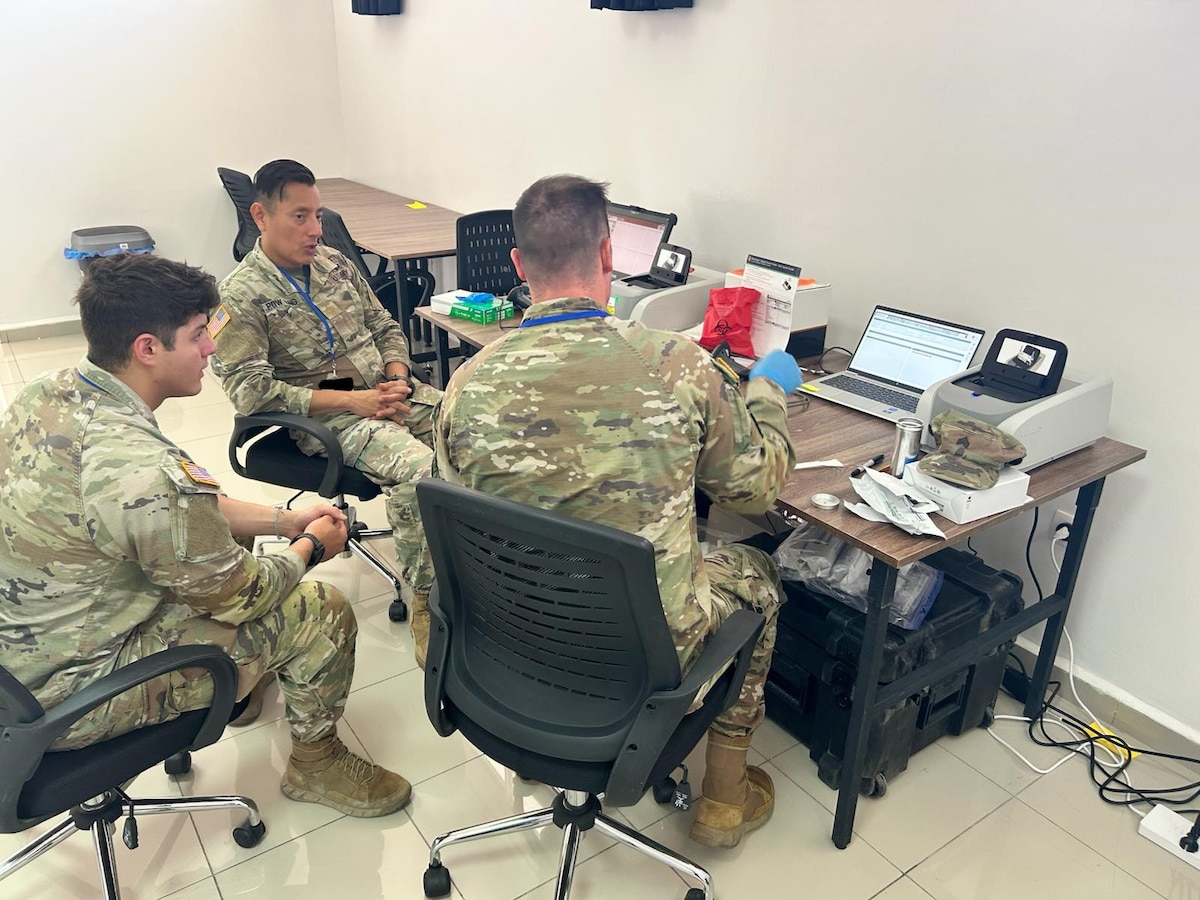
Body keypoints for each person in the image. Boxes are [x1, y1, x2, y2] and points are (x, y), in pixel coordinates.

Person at [433, 174, 800, 848]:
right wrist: (769, 394)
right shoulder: (679, 366)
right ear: (608, 255)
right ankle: (725, 797)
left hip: (512, 642)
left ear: (518, 264)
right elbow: (755, 492)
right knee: (756, 573)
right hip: (647, 657)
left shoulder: (465, 383)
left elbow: (465, 524)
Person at [0, 253, 411, 818]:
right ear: (148, 348)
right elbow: (248, 595)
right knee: (320, 610)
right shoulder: (145, 471)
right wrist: (314, 545)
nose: (212, 348)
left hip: (19, 661)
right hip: (69, 699)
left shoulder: (48, 394)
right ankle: (315, 765)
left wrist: (282, 520)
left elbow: (181, 510)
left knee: (228, 543)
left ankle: (245, 683)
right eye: (198, 335)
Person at [210, 159, 440, 668]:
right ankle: (426, 599)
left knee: (472, 430)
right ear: (261, 216)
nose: (315, 229)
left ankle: (480, 560)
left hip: (387, 392)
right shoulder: (241, 295)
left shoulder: (334, 263)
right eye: (300, 216)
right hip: (331, 418)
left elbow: (384, 325)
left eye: (317, 215)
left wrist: (397, 375)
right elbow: (250, 392)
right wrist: (354, 402)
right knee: (421, 472)